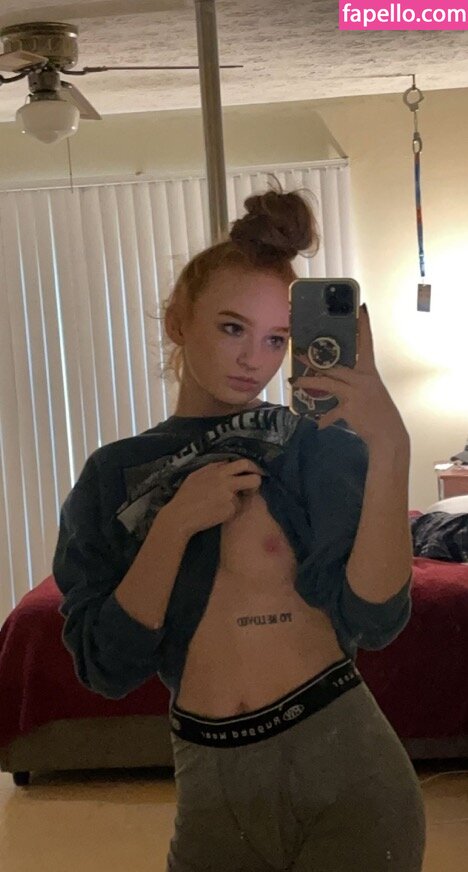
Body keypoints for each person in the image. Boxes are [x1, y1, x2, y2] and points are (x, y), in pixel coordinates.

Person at [53, 185, 426, 871]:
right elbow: (105, 665)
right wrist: (173, 526)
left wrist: (389, 446)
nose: (254, 358)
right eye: (232, 328)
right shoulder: (114, 474)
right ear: (178, 321)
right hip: (210, 777)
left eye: (276, 338)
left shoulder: (313, 447)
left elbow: (374, 618)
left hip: (344, 761)